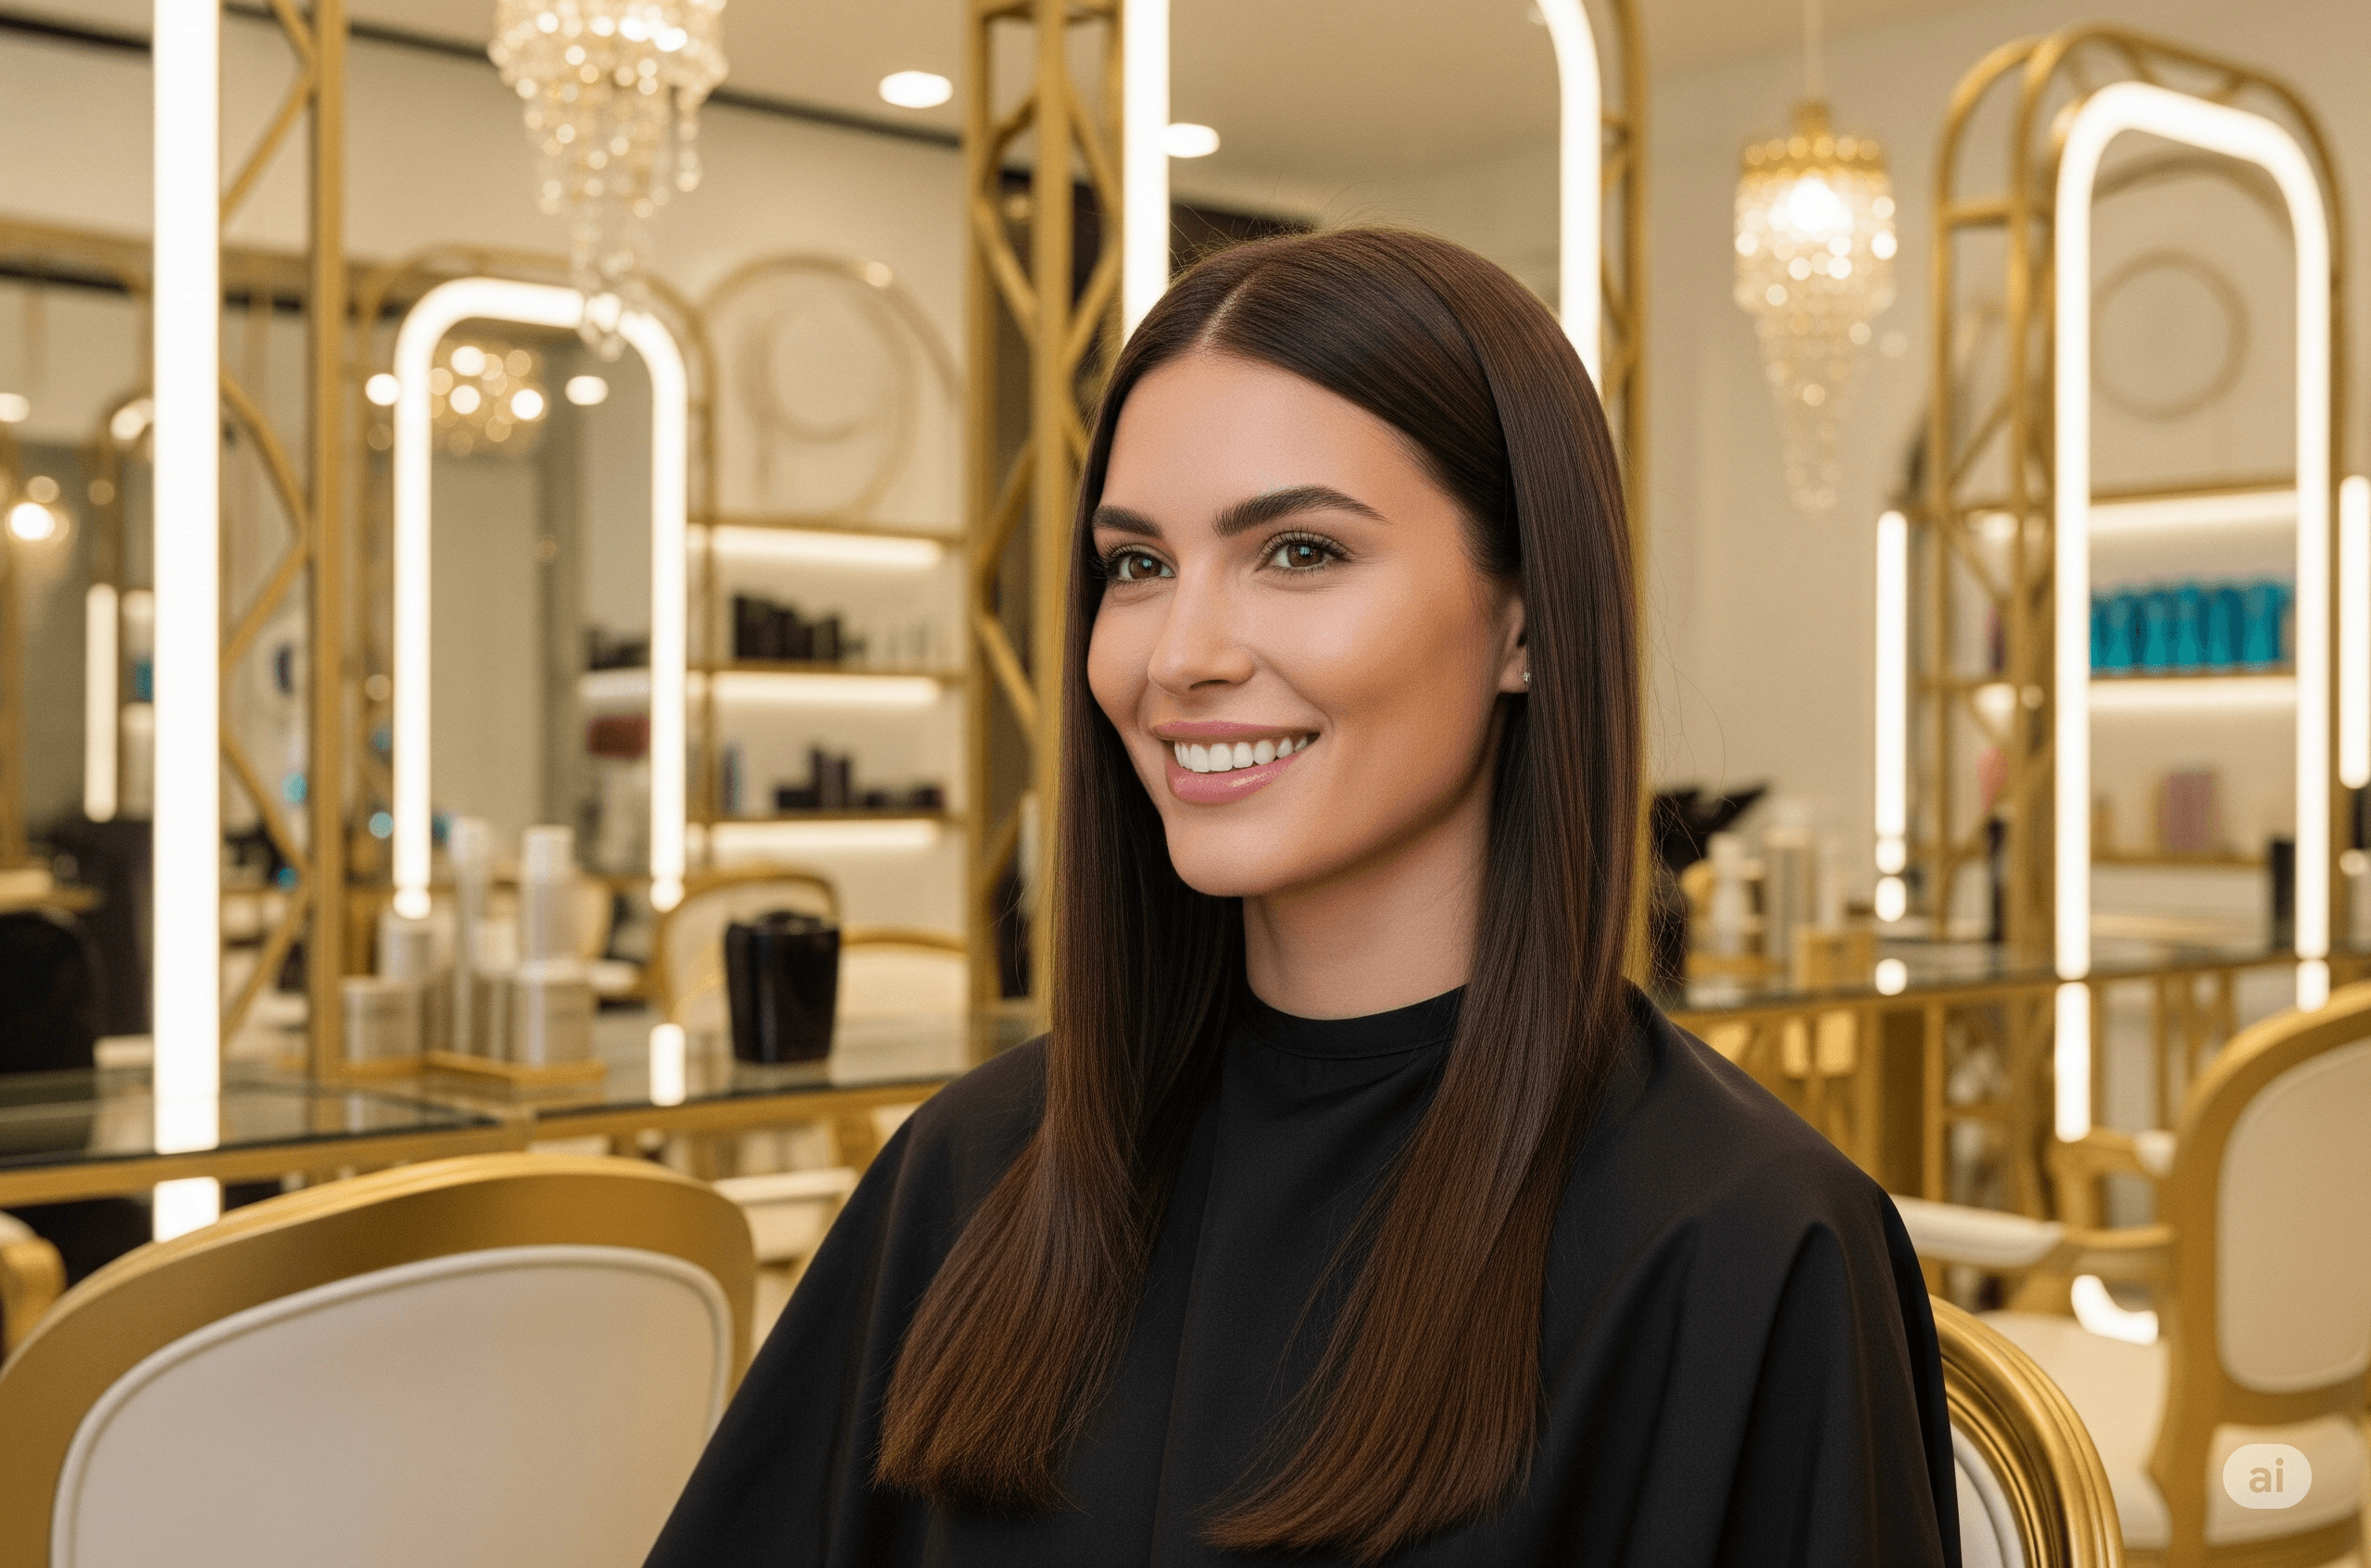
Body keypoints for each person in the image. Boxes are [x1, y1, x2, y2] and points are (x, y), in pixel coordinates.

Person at [644, 228, 1957, 1566]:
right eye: (1138, 566)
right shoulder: (976, 1171)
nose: (1183, 657)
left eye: (1301, 553)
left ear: (1527, 624)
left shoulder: (1742, 1243)